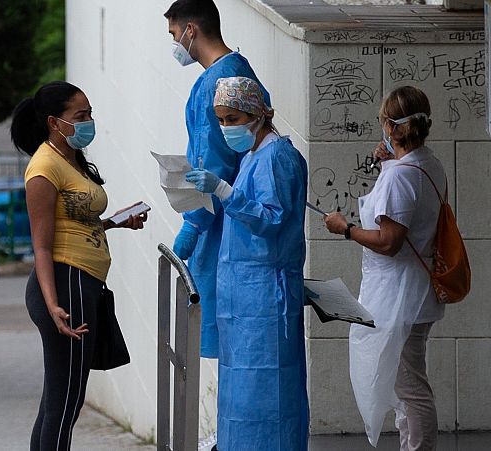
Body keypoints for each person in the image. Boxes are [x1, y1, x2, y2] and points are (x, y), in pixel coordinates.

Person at [10, 81, 148, 450]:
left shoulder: (71, 157)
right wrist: (54, 304)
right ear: (55, 122)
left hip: (82, 282)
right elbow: (41, 245)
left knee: (62, 399)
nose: (89, 122)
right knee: (65, 400)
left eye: (90, 114)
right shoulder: (43, 168)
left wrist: (115, 222)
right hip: (64, 281)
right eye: (80, 115)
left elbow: (74, 224)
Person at [186, 76, 308, 450]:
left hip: (266, 299)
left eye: (233, 118)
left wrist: (223, 190)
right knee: (240, 394)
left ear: (257, 114)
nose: (226, 128)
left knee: (268, 396)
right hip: (245, 300)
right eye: (221, 119)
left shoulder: (277, 157)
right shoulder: (253, 156)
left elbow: (270, 218)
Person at [322, 86, 444, 450]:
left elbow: (389, 242)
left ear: (391, 127)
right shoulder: (427, 163)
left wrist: (346, 229)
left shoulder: (400, 176)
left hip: (400, 294)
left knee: (409, 386)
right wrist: (387, 160)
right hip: (414, 289)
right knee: (404, 381)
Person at [164, 0, 271, 359]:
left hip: (221, 223)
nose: (175, 44)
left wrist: (192, 226)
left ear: (191, 30)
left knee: (231, 338)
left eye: (175, 34)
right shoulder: (235, 70)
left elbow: (213, 162)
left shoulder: (218, 83)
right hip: (229, 217)